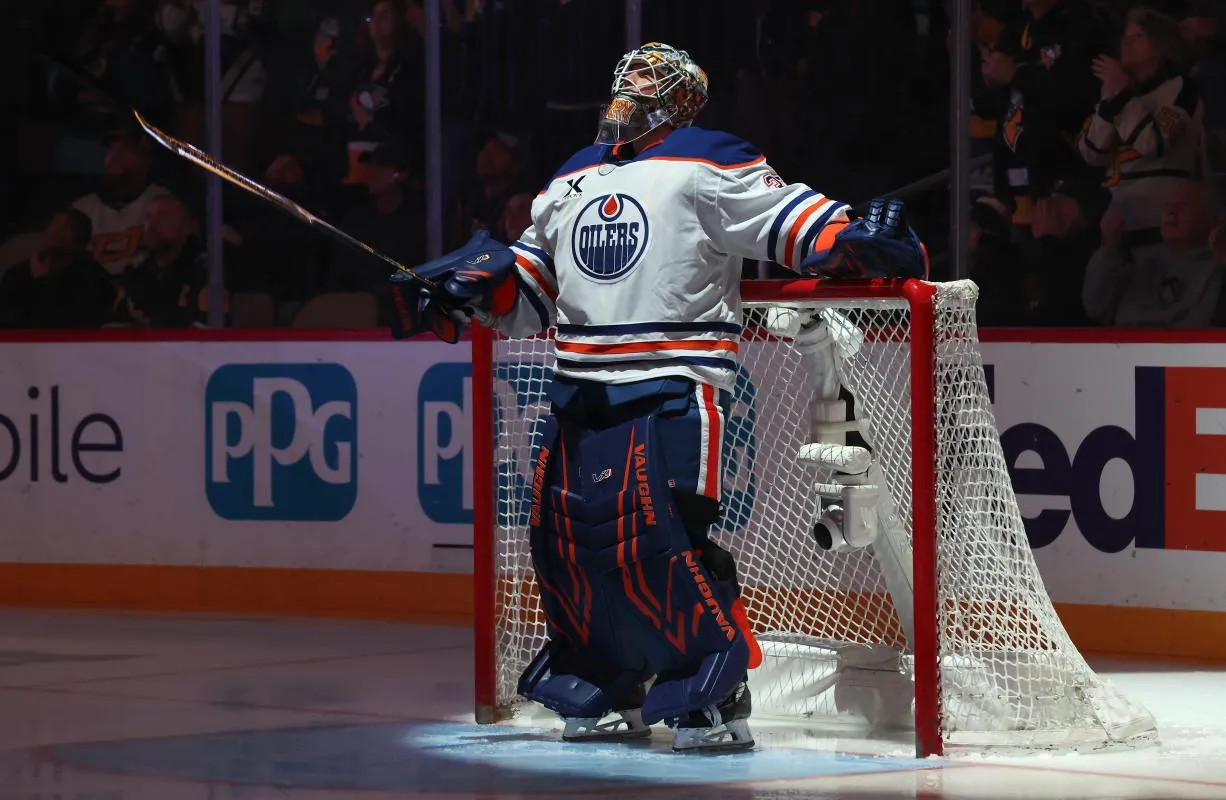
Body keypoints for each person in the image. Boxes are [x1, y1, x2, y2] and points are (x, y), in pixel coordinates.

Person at [388, 43, 926, 753]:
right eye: (625, 72)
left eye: (647, 76)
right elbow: (535, 283)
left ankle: (713, 687)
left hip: (674, 380)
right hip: (578, 387)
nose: (629, 84)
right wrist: (474, 287)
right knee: (568, 548)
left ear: (683, 98)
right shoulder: (572, 174)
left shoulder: (711, 156)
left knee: (662, 544)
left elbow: (789, 221)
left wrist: (853, 237)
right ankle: (602, 680)